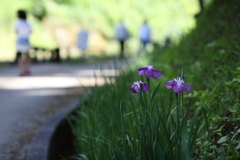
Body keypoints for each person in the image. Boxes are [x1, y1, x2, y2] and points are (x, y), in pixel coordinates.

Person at [14, 10, 32, 76]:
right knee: (27, 55)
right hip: (26, 40)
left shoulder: (17, 23)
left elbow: (16, 31)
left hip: (20, 40)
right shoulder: (28, 23)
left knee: (20, 56)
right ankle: (27, 69)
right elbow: (30, 32)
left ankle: (22, 70)